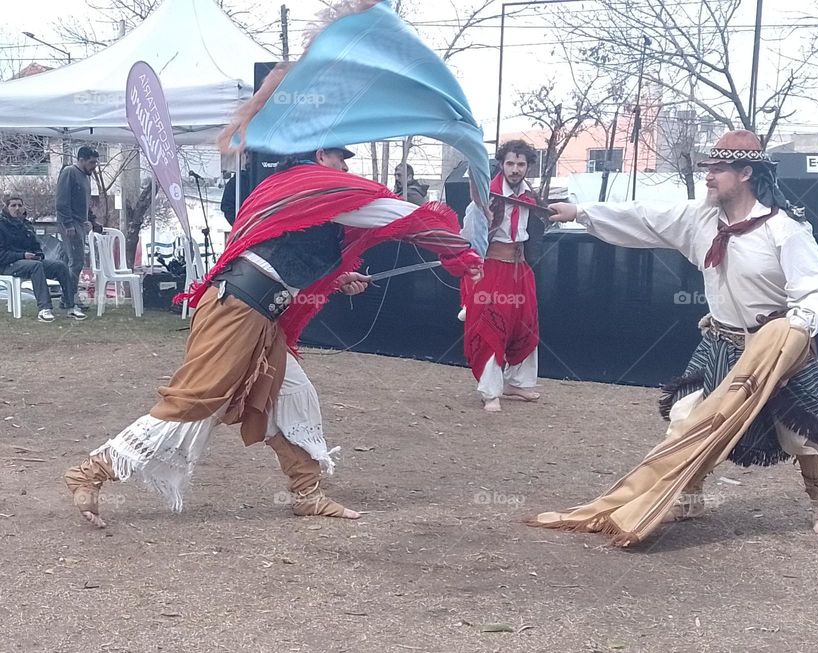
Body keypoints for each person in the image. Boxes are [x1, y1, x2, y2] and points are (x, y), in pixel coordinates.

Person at [64, 144, 483, 529]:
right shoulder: (313, 187)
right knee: (195, 402)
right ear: (321, 155)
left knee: (293, 394)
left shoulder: (297, 191)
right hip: (237, 309)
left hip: (258, 313)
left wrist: (337, 279)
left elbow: (282, 256)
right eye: (341, 157)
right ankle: (91, 471)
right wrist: (459, 252)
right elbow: (394, 215)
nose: (346, 167)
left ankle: (306, 493)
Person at [545, 129, 818, 537]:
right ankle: (689, 496)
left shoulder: (784, 230)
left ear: (746, 173)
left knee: (802, 436)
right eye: (709, 168)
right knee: (687, 420)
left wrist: (795, 331)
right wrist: (580, 212)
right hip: (720, 341)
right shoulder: (700, 219)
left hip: (776, 347)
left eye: (718, 169)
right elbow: (644, 217)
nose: (708, 176)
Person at [461, 139, 544, 412]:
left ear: (528, 167)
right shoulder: (486, 197)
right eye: (510, 163)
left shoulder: (531, 197)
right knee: (490, 328)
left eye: (521, 164)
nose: (515, 169)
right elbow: (470, 238)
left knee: (525, 325)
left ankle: (516, 382)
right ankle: (490, 391)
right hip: (492, 268)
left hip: (520, 269)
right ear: (501, 164)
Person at [0, 195, 81, 322]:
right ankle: (44, 309)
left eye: (19, 205)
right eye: (13, 205)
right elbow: (1, 255)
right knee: (36, 266)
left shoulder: (25, 225)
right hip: (7, 265)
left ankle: (70, 305)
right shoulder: (1, 226)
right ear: (6, 208)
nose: (17, 208)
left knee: (60, 266)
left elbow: (36, 245)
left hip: (28, 262)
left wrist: (38, 254)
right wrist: (23, 255)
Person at [55, 146, 98, 316]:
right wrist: (68, 225)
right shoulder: (69, 172)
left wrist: (93, 221)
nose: (94, 165)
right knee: (77, 261)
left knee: (68, 263)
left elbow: (85, 204)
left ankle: (66, 297)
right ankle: (70, 298)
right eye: (91, 162)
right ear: (81, 160)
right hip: (70, 224)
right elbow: (61, 201)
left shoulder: (86, 177)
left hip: (80, 222)